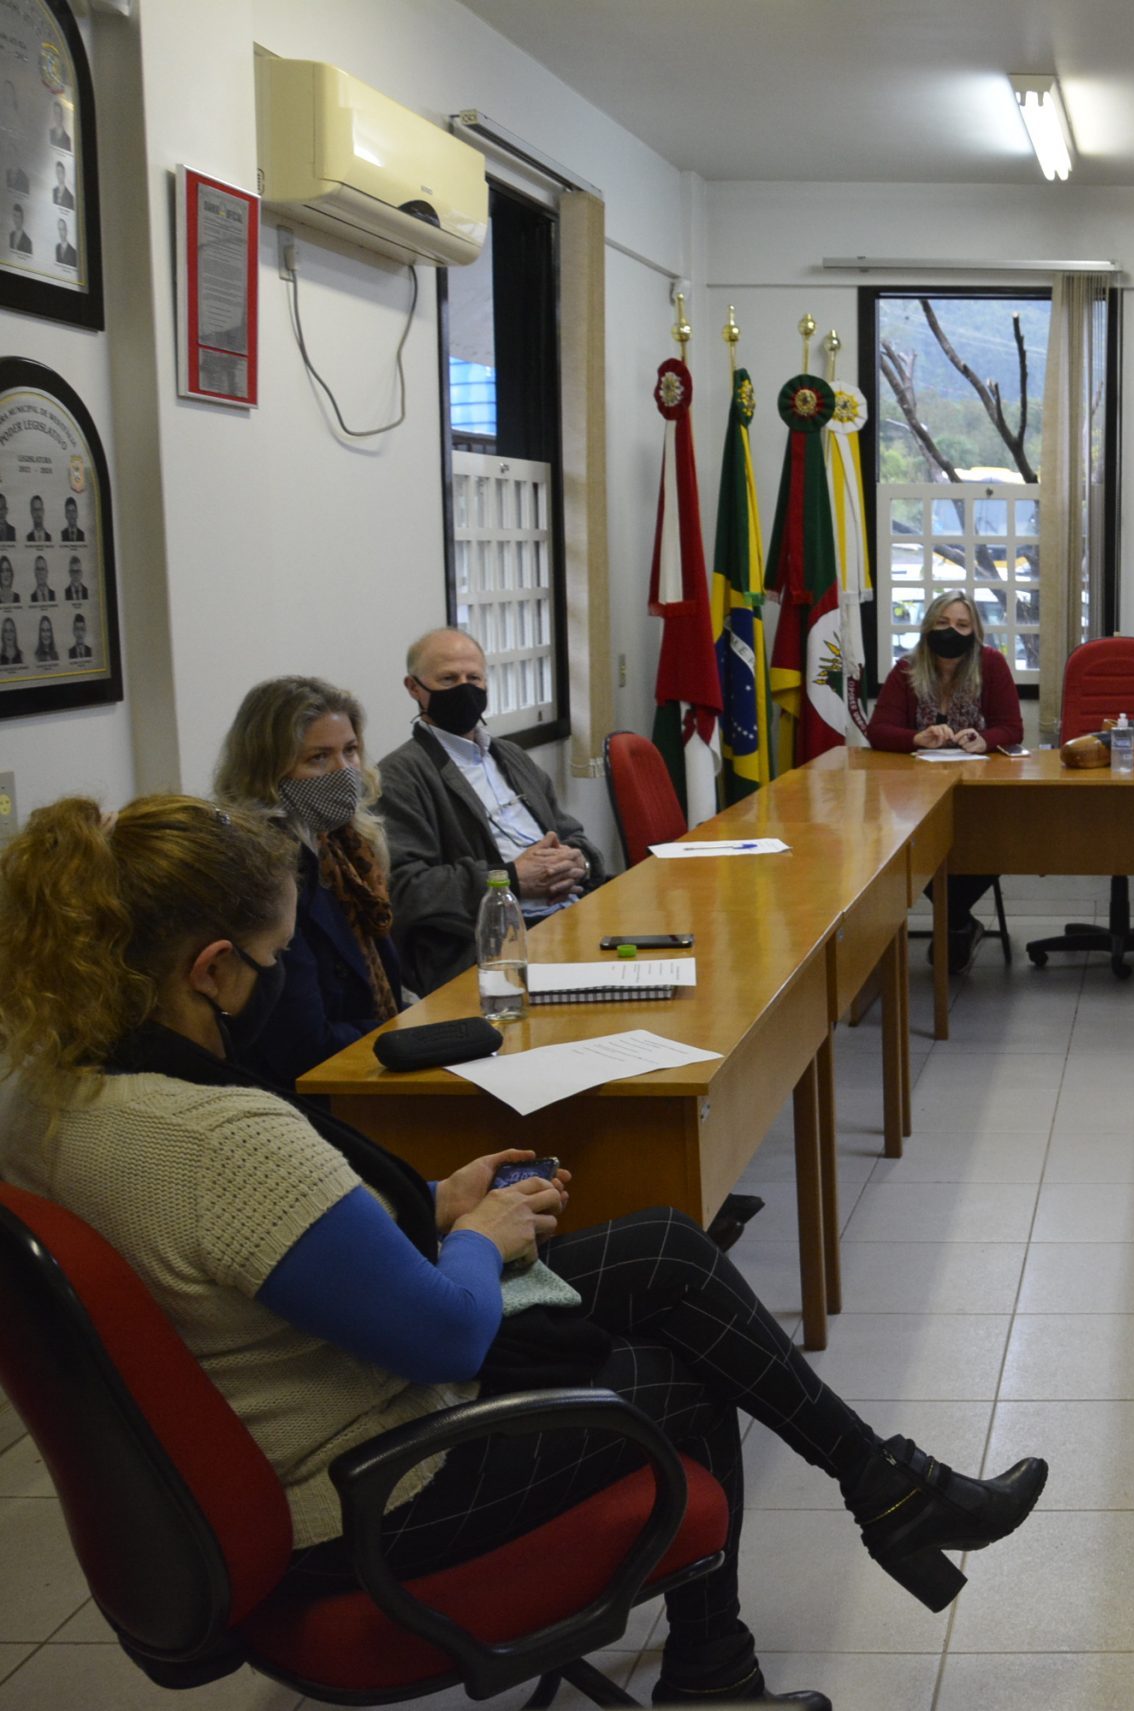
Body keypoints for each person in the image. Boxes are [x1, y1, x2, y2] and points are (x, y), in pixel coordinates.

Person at [0, 797, 1048, 1711]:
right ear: (211, 969)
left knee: (665, 1249)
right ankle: (721, 1666)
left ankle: (890, 1487)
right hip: (370, 1487)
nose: (284, 982)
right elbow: (446, 1334)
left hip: (294, 1408)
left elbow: (250, 1249)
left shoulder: (45, 1098)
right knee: (686, 1373)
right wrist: (474, 1235)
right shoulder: (220, 1142)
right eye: (276, 961)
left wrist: (428, 1204)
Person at [378, 627, 605, 991]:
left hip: (570, 915)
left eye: (474, 678)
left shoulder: (510, 755)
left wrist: (580, 863)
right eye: (448, 679)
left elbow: (571, 834)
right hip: (490, 946)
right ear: (414, 688)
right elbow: (405, 889)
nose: (464, 689)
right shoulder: (398, 777)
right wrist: (510, 879)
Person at [212, 677, 412, 1085]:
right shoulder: (262, 868)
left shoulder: (346, 845)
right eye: (318, 758)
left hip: (368, 1060)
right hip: (313, 1088)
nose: (344, 772)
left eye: (350, 751)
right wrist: (407, 1029)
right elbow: (304, 1043)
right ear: (267, 770)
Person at [863, 591, 1023, 967]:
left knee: (995, 837)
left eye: (962, 625)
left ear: (975, 632)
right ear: (928, 627)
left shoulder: (991, 664)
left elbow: (1012, 728)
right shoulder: (906, 669)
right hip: (916, 793)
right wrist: (916, 738)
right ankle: (958, 922)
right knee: (915, 844)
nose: (952, 631)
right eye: (943, 623)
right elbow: (878, 730)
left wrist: (984, 740)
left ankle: (952, 920)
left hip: (978, 791)